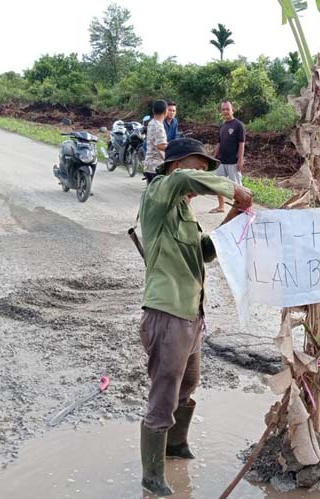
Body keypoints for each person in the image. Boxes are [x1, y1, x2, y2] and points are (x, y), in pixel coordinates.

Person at [137, 138, 253, 496]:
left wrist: (233, 215)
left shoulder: (185, 213)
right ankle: (152, 476)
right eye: (196, 167)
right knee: (164, 394)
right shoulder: (158, 191)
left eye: (205, 170)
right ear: (174, 166)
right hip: (167, 312)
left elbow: (204, 253)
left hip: (191, 313)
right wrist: (235, 189)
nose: (200, 175)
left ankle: (176, 445)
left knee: (188, 384)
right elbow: (181, 182)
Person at [210, 100, 245, 213]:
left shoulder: (238, 125)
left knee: (237, 187)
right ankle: (221, 207)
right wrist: (214, 157)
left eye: (227, 109)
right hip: (221, 161)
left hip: (233, 162)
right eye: (223, 109)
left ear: (232, 110)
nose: (225, 111)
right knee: (218, 184)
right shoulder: (222, 126)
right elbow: (219, 143)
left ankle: (242, 208)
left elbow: (241, 144)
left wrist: (240, 160)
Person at [143, 99, 169, 183]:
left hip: (149, 165)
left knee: (151, 194)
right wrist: (173, 148)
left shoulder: (151, 122)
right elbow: (160, 145)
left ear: (153, 111)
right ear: (166, 112)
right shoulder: (159, 127)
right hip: (156, 167)